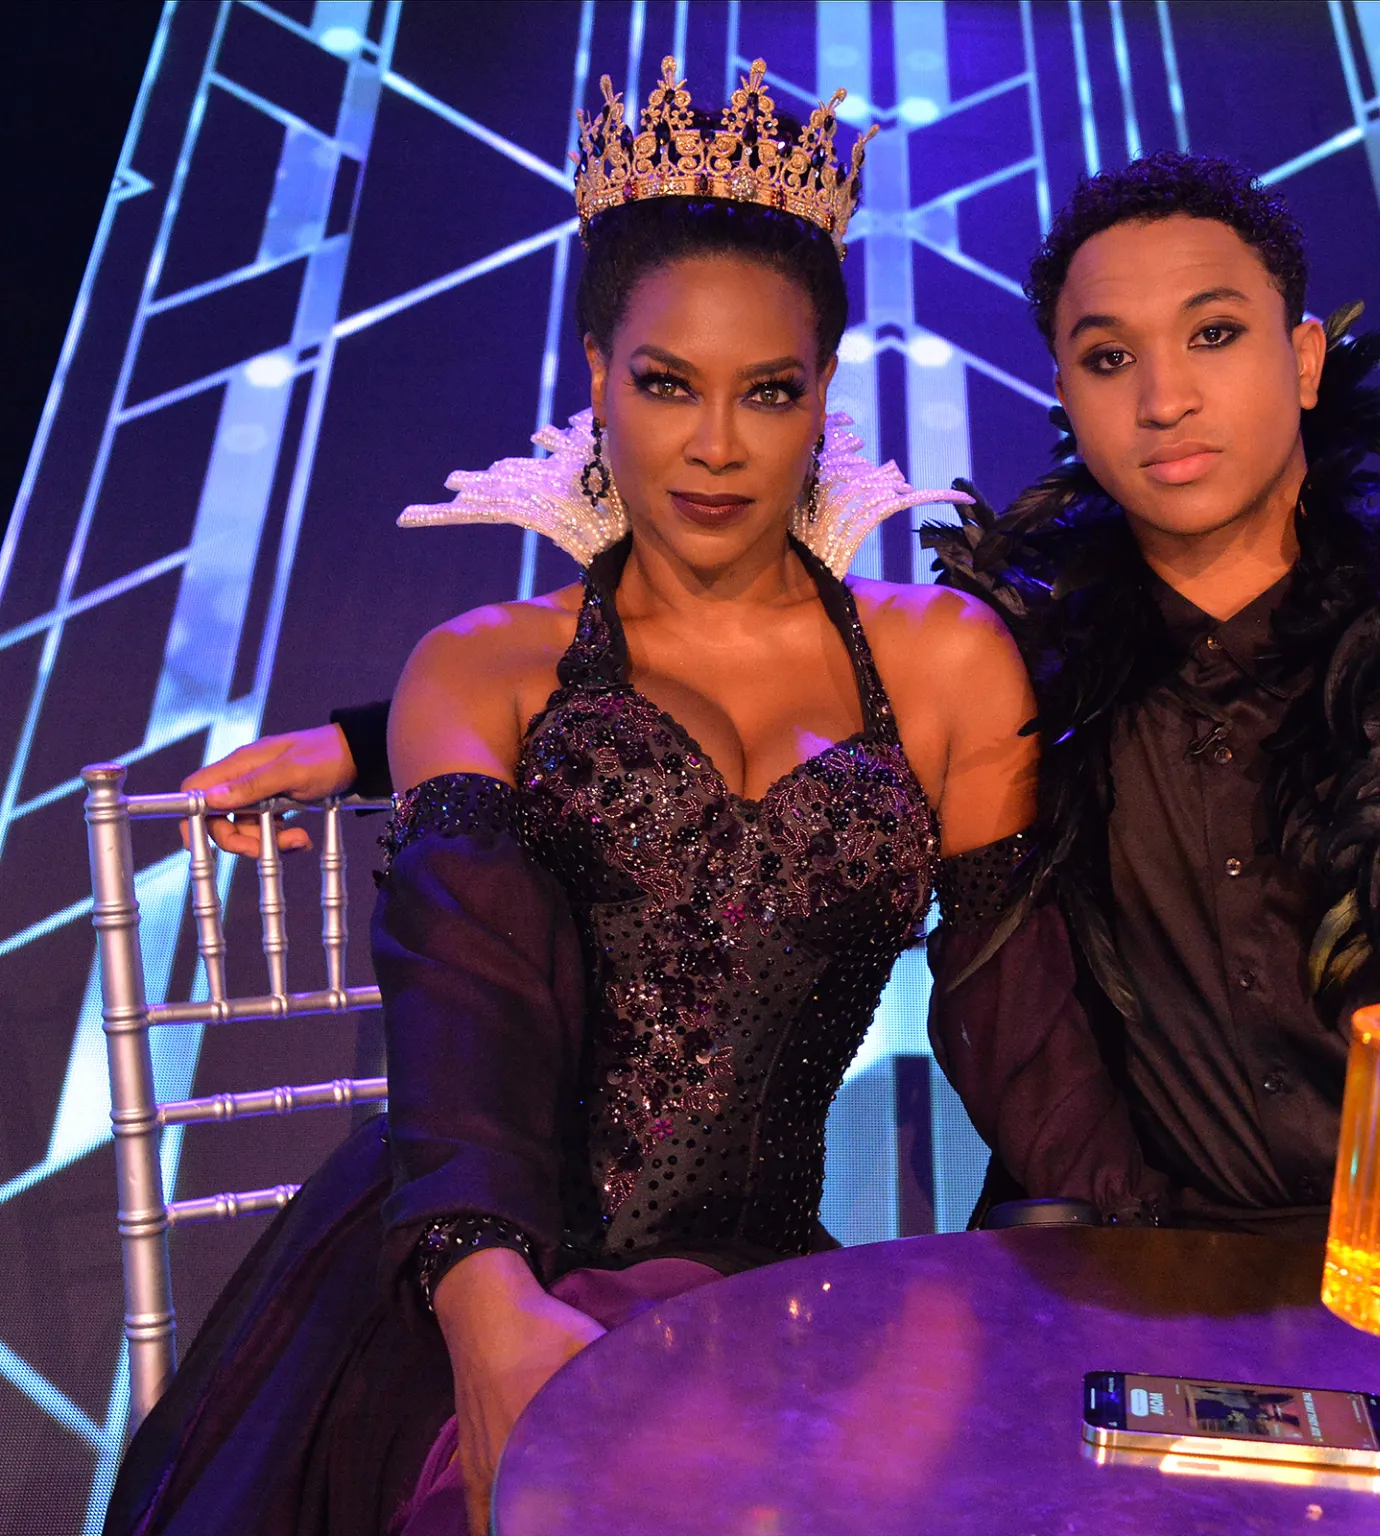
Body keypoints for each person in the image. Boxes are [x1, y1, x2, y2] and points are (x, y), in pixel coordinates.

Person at [194, 157, 1380, 1321]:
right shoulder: (1017, 660)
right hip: (1156, 1260)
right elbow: (691, 688)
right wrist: (377, 738)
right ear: (1064, 391)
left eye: (1213, 336)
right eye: (1109, 358)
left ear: (1304, 359)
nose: (1164, 398)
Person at [107, 59, 1067, 1536]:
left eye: (769, 390)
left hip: (767, 1290)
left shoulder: (942, 659)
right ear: (597, 376)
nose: (716, 446)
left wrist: (1053, 1277)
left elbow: (1024, 1027)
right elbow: (466, 1009)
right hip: (478, 1258)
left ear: (825, 393)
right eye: (666, 383)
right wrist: (488, 1308)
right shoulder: (483, 667)